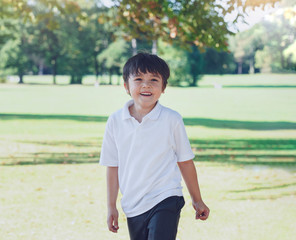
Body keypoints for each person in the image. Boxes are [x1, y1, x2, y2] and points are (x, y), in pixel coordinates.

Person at [100, 52, 210, 240]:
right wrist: (111, 206)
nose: (146, 85)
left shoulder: (171, 119)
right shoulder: (115, 121)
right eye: (138, 79)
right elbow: (112, 166)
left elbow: (185, 161)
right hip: (133, 204)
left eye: (153, 80)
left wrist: (197, 200)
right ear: (126, 86)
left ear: (163, 87)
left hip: (166, 197)